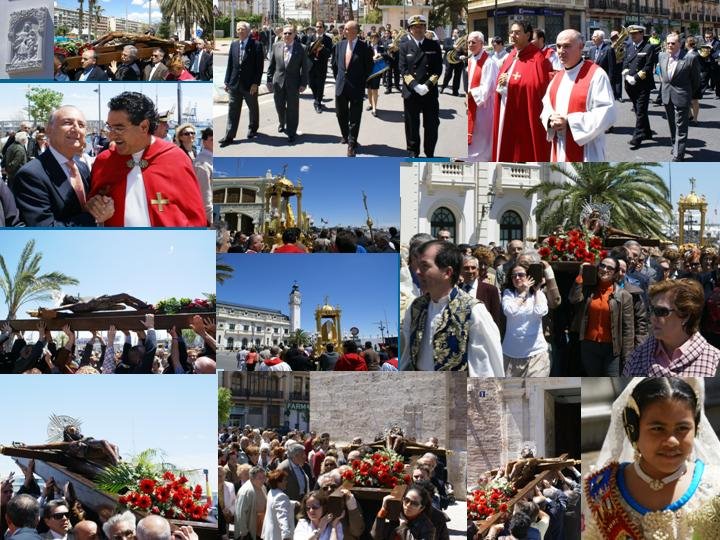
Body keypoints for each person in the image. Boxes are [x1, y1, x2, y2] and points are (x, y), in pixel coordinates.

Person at [583, 377, 720, 538]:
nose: (671, 441)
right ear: (633, 430)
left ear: (695, 429)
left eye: (682, 428)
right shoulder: (600, 492)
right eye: (657, 428)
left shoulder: (714, 488)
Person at [87, 92, 207, 227]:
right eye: (110, 127)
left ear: (144, 126)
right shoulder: (105, 161)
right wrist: (94, 207)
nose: (112, 135)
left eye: (119, 128)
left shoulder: (176, 159)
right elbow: (91, 205)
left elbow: (195, 216)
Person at [399, 240, 504, 376]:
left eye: (425, 266)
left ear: (447, 272)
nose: (418, 272)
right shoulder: (416, 307)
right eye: (418, 266)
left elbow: (485, 370)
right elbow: (407, 357)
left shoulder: (473, 311)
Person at [12, 106, 97, 227]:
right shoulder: (30, 175)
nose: (76, 129)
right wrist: (93, 216)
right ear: (48, 130)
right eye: (68, 123)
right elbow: (44, 228)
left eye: (81, 125)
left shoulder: (82, 167)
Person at [540, 29, 616, 162]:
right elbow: (546, 106)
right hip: (559, 147)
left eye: (567, 46)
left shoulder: (596, 75)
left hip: (587, 151)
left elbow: (607, 112)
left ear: (581, 47)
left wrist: (570, 122)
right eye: (558, 46)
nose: (561, 51)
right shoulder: (558, 76)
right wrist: (550, 119)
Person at [623, 278, 720, 376]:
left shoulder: (714, 361)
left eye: (661, 311)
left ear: (686, 315)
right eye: (651, 310)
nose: (652, 318)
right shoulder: (637, 357)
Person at [492, 21, 553, 161]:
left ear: (527, 35)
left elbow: (537, 88)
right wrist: (501, 81)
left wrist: (510, 83)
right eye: (511, 32)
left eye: (517, 32)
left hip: (523, 114)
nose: (513, 35)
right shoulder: (512, 53)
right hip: (505, 108)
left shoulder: (537, 58)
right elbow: (503, 78)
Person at [569, 257, 634, 376]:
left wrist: (627, 356)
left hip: (612, 349)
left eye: (610, 268)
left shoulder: (624, 296)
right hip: (589, 346)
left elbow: (628, 329)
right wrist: (580, 276)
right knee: (593, 380)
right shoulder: (588, 290)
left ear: (615, 272)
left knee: (612, 379)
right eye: (602, 266)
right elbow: (573, 299)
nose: (605, 270)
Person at [399, 15, 442, 158]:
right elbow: (403, 69)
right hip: (412, 92)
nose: (419, 29)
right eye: (415, 27)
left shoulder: (434, 45)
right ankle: (413, 152)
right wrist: (416, 86)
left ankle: (430, 153)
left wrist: (427, 86)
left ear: (425, 28)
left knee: (431, 125)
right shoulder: (404, 46)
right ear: (410, 29)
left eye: (422, 26)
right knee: (412, 126)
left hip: (429, 92)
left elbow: (437, 70)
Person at [220, 22, 265, 147]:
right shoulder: (234, 45)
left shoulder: (256, 45)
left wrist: (256, 83)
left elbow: (259, 67)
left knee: (253, 108)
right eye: (238, 29)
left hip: (250, 84)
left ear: (248, 31)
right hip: (234, 84)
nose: (240, 31)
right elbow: (230, 64)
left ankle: (253, 129)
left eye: (242, 29)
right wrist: (227, 81)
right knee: (233, 110)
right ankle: (229, 136)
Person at [501, 262, 550, 377]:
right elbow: (509, 311)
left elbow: (540, 312)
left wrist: (536, 290)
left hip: (536, 353)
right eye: (514, 276)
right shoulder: (508, 294)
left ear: (528, 276)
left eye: (521, 275)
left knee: (535, 391)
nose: (517, 278)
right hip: (511, 354)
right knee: (513, 393)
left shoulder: (538, 295)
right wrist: (523, 293)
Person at [332, 20, 372, 157]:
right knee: (340, 114)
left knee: (355, 117)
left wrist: (361, 82)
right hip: (341, 86)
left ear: (355, 31)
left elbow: (369, 67)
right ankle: (345, 135)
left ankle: (352, 143)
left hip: (356, 87)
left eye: (347, 29)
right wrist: (339, 80)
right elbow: (335, 65)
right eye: (344, 29)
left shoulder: (364, 47)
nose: (344, 31)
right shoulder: (339, 45)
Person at [658, 32, 700, 162]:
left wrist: (688, 94)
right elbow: (662, 74)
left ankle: (679, 154)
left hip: (682, 95)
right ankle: (674, 145)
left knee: (681, 126)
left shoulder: (690, 58)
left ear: (680, 44)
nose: (670, 45)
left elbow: (696, 80)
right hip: (667, 95)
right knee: (672, 124)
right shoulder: (662, 56)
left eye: (673, 43)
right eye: (668, 43)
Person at [266, 25, 310, 144]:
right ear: (281, 35)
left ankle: (291, 132)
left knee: (292, 109)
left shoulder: (302, 48)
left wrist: (303, 83)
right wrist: (269, 80)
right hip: (278, 82)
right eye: (285, 33)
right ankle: (282, 121)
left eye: (290, 33)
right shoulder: (276, 46)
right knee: (279, 106)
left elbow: (304, 68)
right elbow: (271, 66)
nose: (287, 35)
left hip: (294, 83)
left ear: (294, 35)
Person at [623, 25, 656, 150]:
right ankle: (647, 132)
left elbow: (648, 67)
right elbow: (626, 61)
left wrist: (635, 77)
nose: (633, 36)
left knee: (641, 110)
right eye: (631, 34)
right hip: (630, 85)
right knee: (638, 109)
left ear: (642, 34)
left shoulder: (648, 47)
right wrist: (626, 73)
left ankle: (637, 137)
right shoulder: (630, 46)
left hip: (642, 85)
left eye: (635, 33)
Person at [467, 31, 498, 162]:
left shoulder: (489, 62)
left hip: (482, 108)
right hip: (469, 105)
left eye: (473, 42)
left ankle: (482, 159)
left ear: (482, 43)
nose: (470, 45)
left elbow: (488, 87)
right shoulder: (470, 60)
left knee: (481, 139)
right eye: (468, 42)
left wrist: (470, 93)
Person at [371, 484, 435, 540]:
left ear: (421, 508)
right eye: (407, 500)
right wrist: (383, 509)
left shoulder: (428, 528)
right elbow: (376, 536)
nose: (408, 505)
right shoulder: (395, 513)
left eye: (415, 503)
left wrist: (403, 527)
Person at [235, 466, 267, 540]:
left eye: (264, 477)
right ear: (252, 478)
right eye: (260, 478)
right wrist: (244, 532)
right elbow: (240, 513)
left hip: (260, 528)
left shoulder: (263, 487)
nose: (263, 480)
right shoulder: (246, 491)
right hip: (249, 530)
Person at [308, 21, 333, 113]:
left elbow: (329, 53)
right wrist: (310, 46)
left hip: (321, 65)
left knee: (320, 85)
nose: (318, 28)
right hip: (311, 65)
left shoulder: (327, 39)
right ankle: (316, 99)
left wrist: (322, 49)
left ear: (324, 28)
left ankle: (318, 103)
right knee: (311, 84)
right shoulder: (311, 37)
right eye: (317, 27)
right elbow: (306, 49)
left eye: (320, 27)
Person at [261, 470, 294, 540]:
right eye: (284, 480)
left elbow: (275, 505)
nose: (286, 482)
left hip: (270, 534)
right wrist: (286, 535)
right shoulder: (281, 496)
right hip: (278, 536)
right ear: (278, 482)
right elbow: (282, 516)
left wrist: (293, 503)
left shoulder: (271, 492)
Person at [194, 127, 213, 225]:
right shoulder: (202, 163)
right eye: (212, 139)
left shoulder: (210, 159)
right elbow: (205, 194)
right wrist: (210, 219)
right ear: (204, 142)